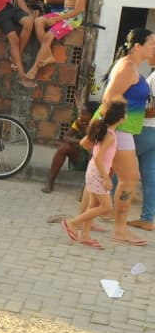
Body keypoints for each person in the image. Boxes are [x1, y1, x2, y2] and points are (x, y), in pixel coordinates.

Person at [84, 27, 155, 246]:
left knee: (102, 175)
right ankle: (120, 229)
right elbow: (108, 97)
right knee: (130, 179)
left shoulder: (132, 67)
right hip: (120, 130)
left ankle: (84, 223)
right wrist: (111, 130)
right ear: (137, 46)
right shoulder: (127, 67)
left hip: (123, 130)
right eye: (152, 43)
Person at [64, 99, 128, 249]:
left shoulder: (104, 130)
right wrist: (106, 178)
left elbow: (84, 144)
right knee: (106, 207)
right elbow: (99, 157)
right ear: (120, 117)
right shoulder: (110, 135)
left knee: (93, 205)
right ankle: (72, 223)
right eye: (125, 113)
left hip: (95, 171)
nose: (127, 115)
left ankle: (85, 235)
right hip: (98, 173)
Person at [28, 0, 89, 81]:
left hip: (75, 17)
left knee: (48, 36)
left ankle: (34, 69)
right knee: (38, 21)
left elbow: (78, 10)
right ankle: (48, 55)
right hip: (64, 12)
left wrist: (57, 19)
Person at [43, 101, 97, 194]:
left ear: (93, 115)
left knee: (92, 152)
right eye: (81, 113)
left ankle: (85, 191)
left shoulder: (99, 125)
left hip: (95, 160)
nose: (81, 115)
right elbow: (65, 137)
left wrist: (84, 129)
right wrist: (80, 142)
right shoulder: (79, 122)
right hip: (79, 159)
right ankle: (50, 181)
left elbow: (94, 142)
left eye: (84, 113)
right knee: (64, 147)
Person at [130, 63, 155, 231]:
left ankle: (107, 207)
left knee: (119, 166)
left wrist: (132, 112)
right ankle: (147, 218)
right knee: (149, 175)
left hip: (146, 127)